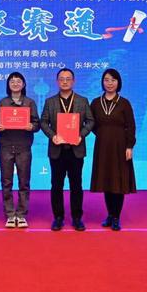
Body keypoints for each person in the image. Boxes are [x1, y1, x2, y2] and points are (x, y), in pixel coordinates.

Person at [40, 68, 94, 231]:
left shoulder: (82, 101)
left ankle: (77, 218)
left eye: (68, 78)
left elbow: (90, 121)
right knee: (56, 185)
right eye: (62, 79)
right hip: (57, 149)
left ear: (73, 81)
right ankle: (58, 217)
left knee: (76, 184)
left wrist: (81, 135)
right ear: (57, 81)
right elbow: (43, 122)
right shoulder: (50, 101)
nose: (65, 81)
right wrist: (53, 136)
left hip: (76, 149)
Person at [90, 69, 137, 231]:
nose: (109, 83)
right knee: (107, 181)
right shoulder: (96, 103)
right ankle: (110, 215)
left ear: (118, 82)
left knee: (118, 182)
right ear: (102, 82)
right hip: (103, 147)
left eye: (113, 80)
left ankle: (116, 217)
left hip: (120, 147)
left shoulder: (124, 103)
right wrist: (104, 134)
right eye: (106, 80)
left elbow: (131, 126)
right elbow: (91, 124)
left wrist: (129, 146)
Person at [0, 72, 40, 228]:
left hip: (24, 147)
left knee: (24, 182)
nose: (15, 84)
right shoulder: (3, 102)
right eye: (12, 81)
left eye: (18, 81)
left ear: (24, 84)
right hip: (6, 147)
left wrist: (31, 126)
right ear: (8, 84)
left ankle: (21, 214)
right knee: (6, 182)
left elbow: (37, 124)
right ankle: (9, 214)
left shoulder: (30, 103)